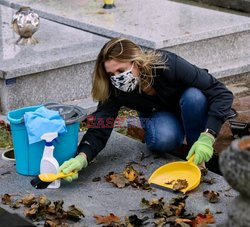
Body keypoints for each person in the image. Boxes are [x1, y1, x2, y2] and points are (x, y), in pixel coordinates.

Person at [58, 37, 234, 182]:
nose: (117, 78)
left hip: (190, 107)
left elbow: (221, 93)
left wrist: (208, 136)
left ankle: (199, 160)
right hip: (160, 116)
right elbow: (102, 122)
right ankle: (166, 133)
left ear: (136, 63)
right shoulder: (115, 89)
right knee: (163, 139)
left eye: (121, 70)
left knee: (194, 97)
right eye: (111, 74)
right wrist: (83, 156)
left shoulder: (167, 64)